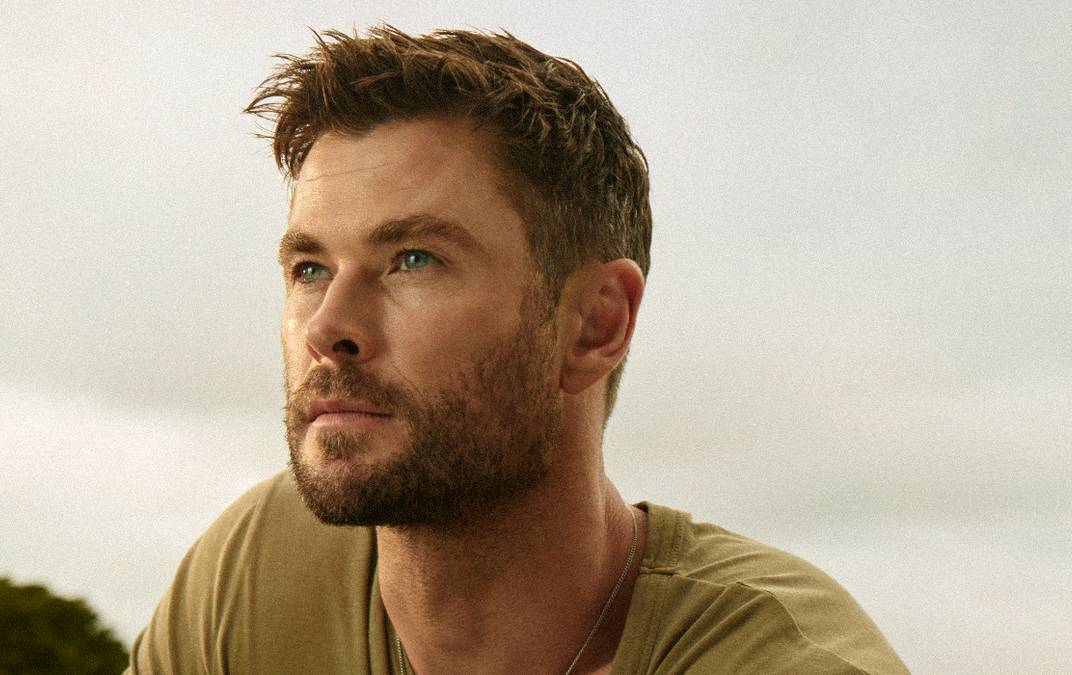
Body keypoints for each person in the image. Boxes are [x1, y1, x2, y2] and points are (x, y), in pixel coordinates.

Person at [128, 26, 908, 674]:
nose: (327, 326)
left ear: (594, 324)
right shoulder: (263, 568)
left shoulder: (780, 660)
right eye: (310, 268)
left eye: (413, 260)